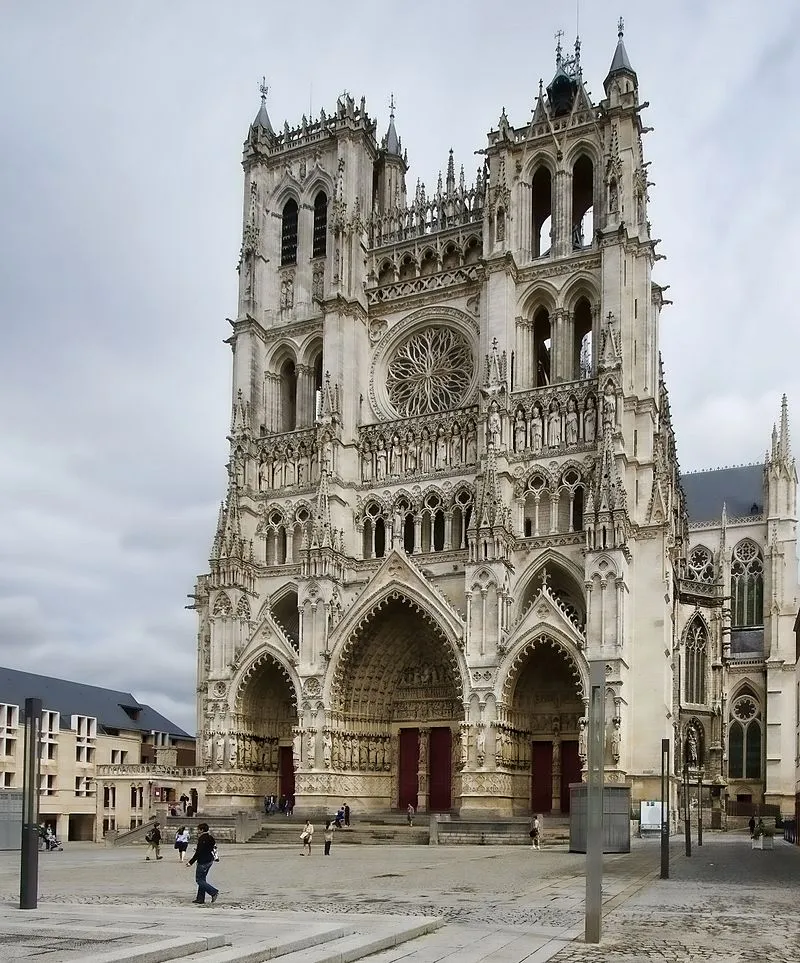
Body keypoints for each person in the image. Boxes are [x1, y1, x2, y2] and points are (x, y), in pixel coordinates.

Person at [187, 822, 219, 905]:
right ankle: (200, 898)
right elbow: (213, 848)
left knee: (199, 880)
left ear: (201, 830)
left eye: (198, 829)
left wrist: (191, 862)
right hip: (210, 860)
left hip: (203, 861)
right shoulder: (211, 837)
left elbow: (199, 852)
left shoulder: (202, 838)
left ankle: (213, 892)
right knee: (203, 879)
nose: (197, 831)